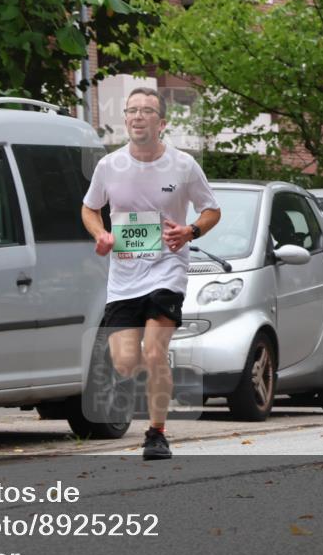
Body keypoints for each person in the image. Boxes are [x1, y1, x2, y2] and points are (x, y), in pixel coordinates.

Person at [81, 88, 221, 460]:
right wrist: (101, 235)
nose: (138, 116)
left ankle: (156, 434)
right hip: (124, 276)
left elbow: (211, 210)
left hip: (167, 270)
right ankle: (162, 375)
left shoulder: (183, 165)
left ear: (162, 123)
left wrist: (190, 231)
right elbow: (90, 208)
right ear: (125, 119)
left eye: (147, 111)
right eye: (132, 110)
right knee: (125, 364)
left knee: (155, 352)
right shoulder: (109, 166)